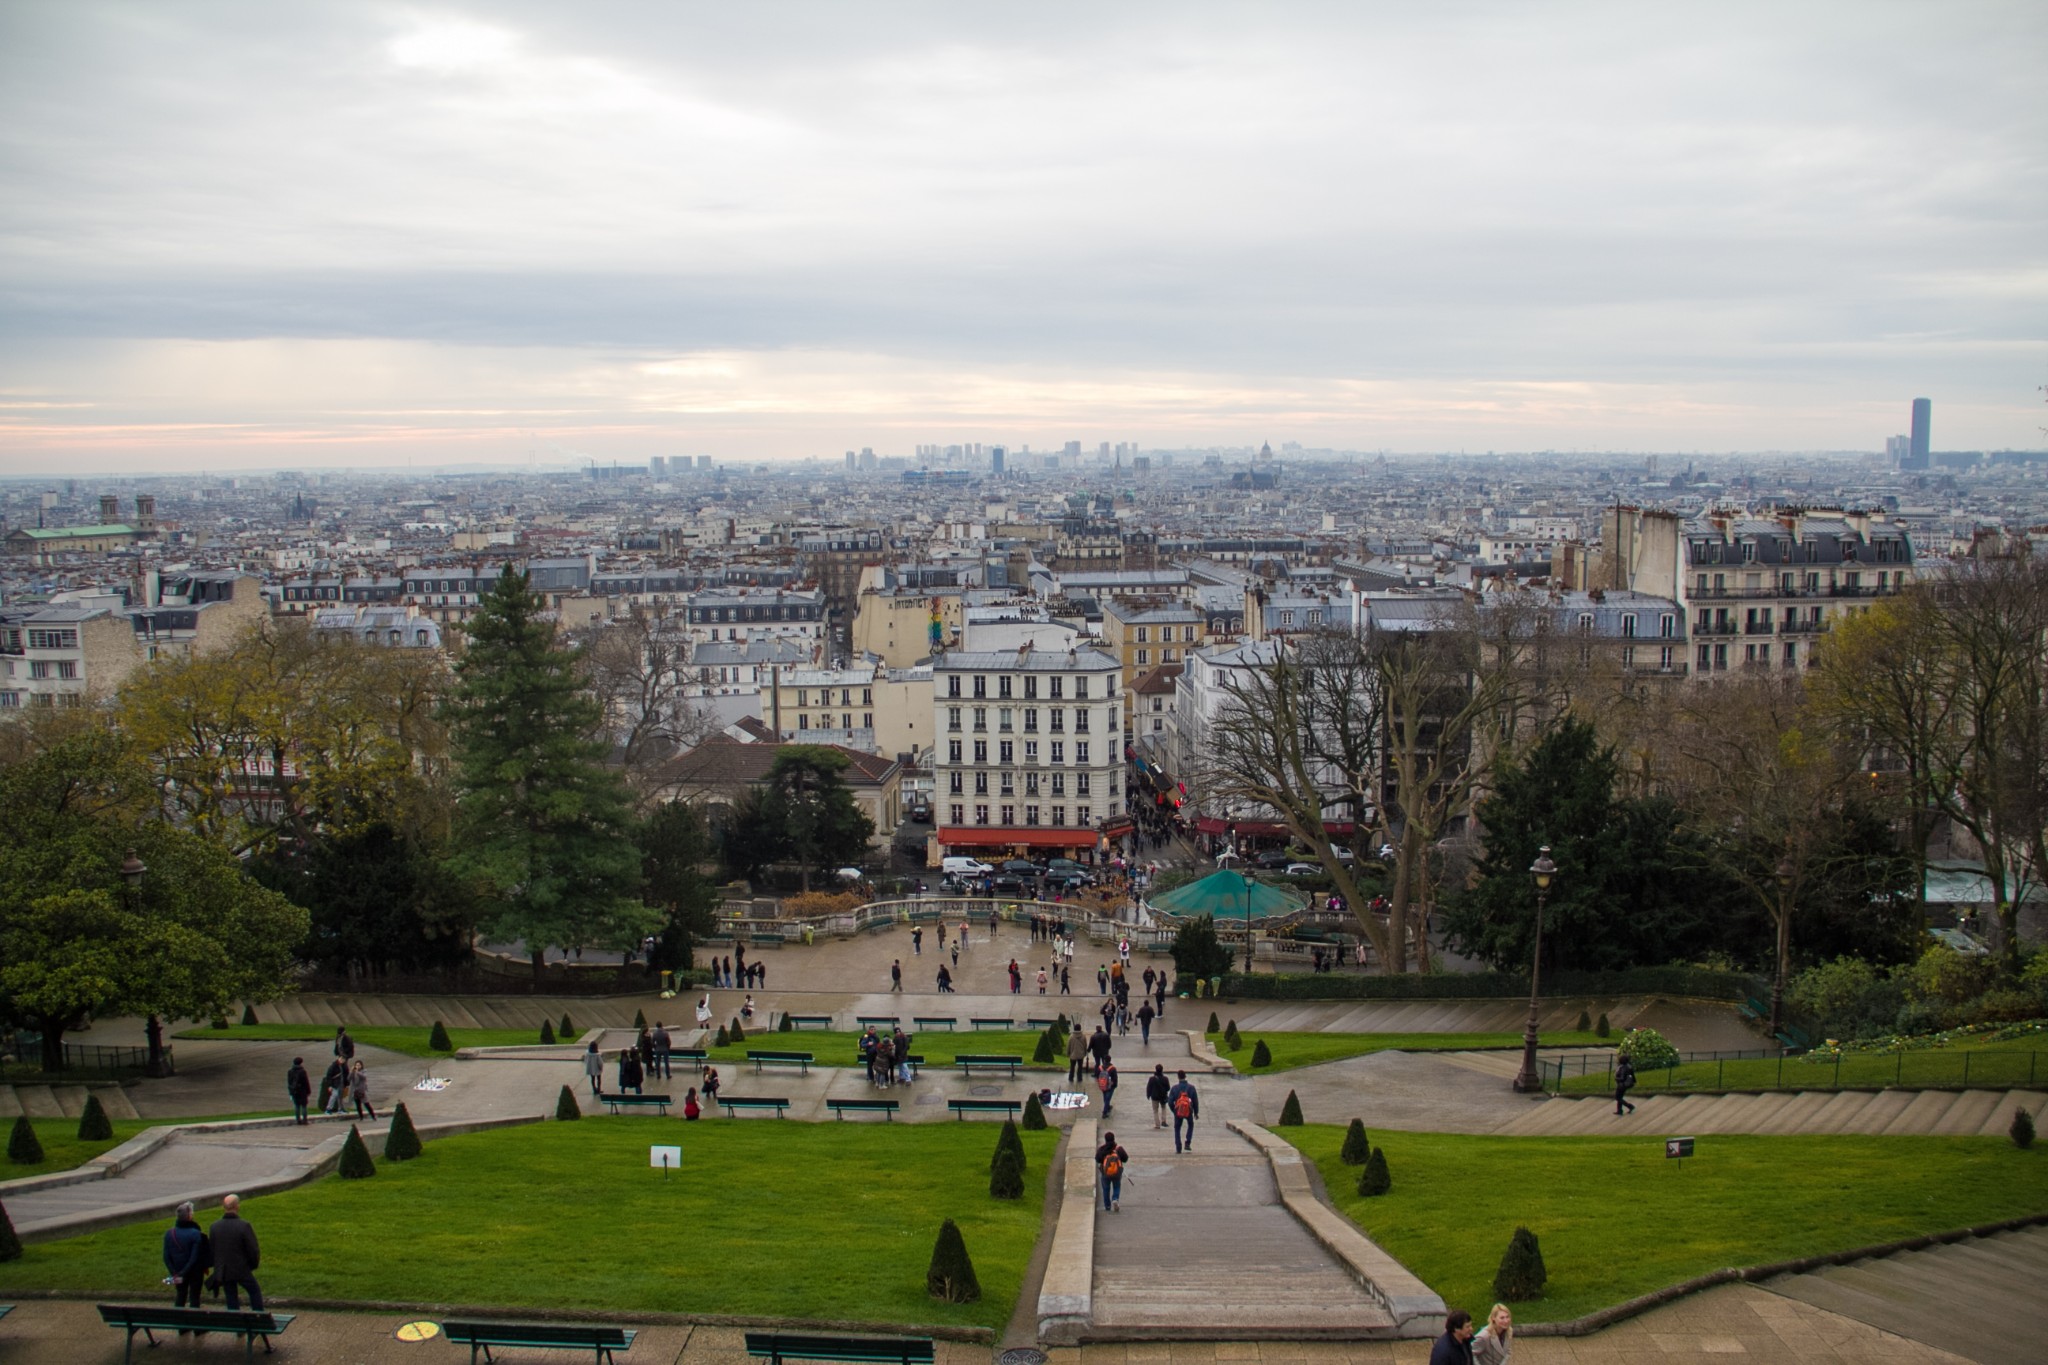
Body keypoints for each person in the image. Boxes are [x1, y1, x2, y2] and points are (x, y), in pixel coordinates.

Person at [209, 1194, 263, 1312]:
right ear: (236, 1206)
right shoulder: (243, 1226)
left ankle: (237, 1324)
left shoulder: (214, 1227)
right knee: (254, 1291)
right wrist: (252, 1265)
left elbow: (212, 1249)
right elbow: (253, 1249)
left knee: (231, 1296)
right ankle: (259, 1318)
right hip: (241, 1268)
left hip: (224, 1269)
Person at [161, 1201, 210, 1314]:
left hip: (176, 1271)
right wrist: (184, 1272)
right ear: (189, 1216)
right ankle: (196, 1327)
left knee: (180, 1295)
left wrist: (175, 1273)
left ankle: (181, 1325)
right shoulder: (195, 1233)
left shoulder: (169, 1233)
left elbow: (166, 1256)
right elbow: (194, 1257)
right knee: (194, 1297)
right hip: (194, 1272)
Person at [1095, 1130, 1129, 1212]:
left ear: (1105, 1139)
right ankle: (1115, 1199)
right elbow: (1125, 1159)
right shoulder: (1118, 1149)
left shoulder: (1102, 1149)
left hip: (1105, 1173)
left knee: (1106, 1189)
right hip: (1117, 1173)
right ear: (1114, 1139)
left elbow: (1097, 1159)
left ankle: (1107, 1206)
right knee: (1117, 1186)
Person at [1168, 1070, 1200, 1153]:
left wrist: (1174, 1110)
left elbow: (1170, 1101)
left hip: (1178, 1111)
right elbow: (1195, 1101)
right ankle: (1187, 1142)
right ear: (1185, 1076)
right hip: (1189, 1111)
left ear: (1178, 1077)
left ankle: (1178, 1147)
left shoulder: (1174, 1088)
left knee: (1177, 1128)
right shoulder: (1191, 1087)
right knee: (1190, 1125)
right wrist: (1196, 1112)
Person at [285, 1057, 311, 1125]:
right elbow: (306, 1082)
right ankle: (304, 1120)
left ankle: (297, 1120)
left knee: (297, 1105)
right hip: (302, 1090)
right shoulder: (302, 1071)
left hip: (294, 1091)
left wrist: (291, 1091)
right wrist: (308, 1091)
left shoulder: (290, 1071)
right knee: (304, 1106)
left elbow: (289, 1082)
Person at [1145, 1064, 1171, 1129]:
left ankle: (1157, 1124)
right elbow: (1168, 1088)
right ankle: (1164, 1121)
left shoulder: (1152, 1079)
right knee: (1164, 1108)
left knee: (1155, 1111)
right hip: (1162, 1096)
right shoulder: (1165, 1078)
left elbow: (1149, 1088)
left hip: (1154, 1096)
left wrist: (1148, 1095)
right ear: (1162, 1070)